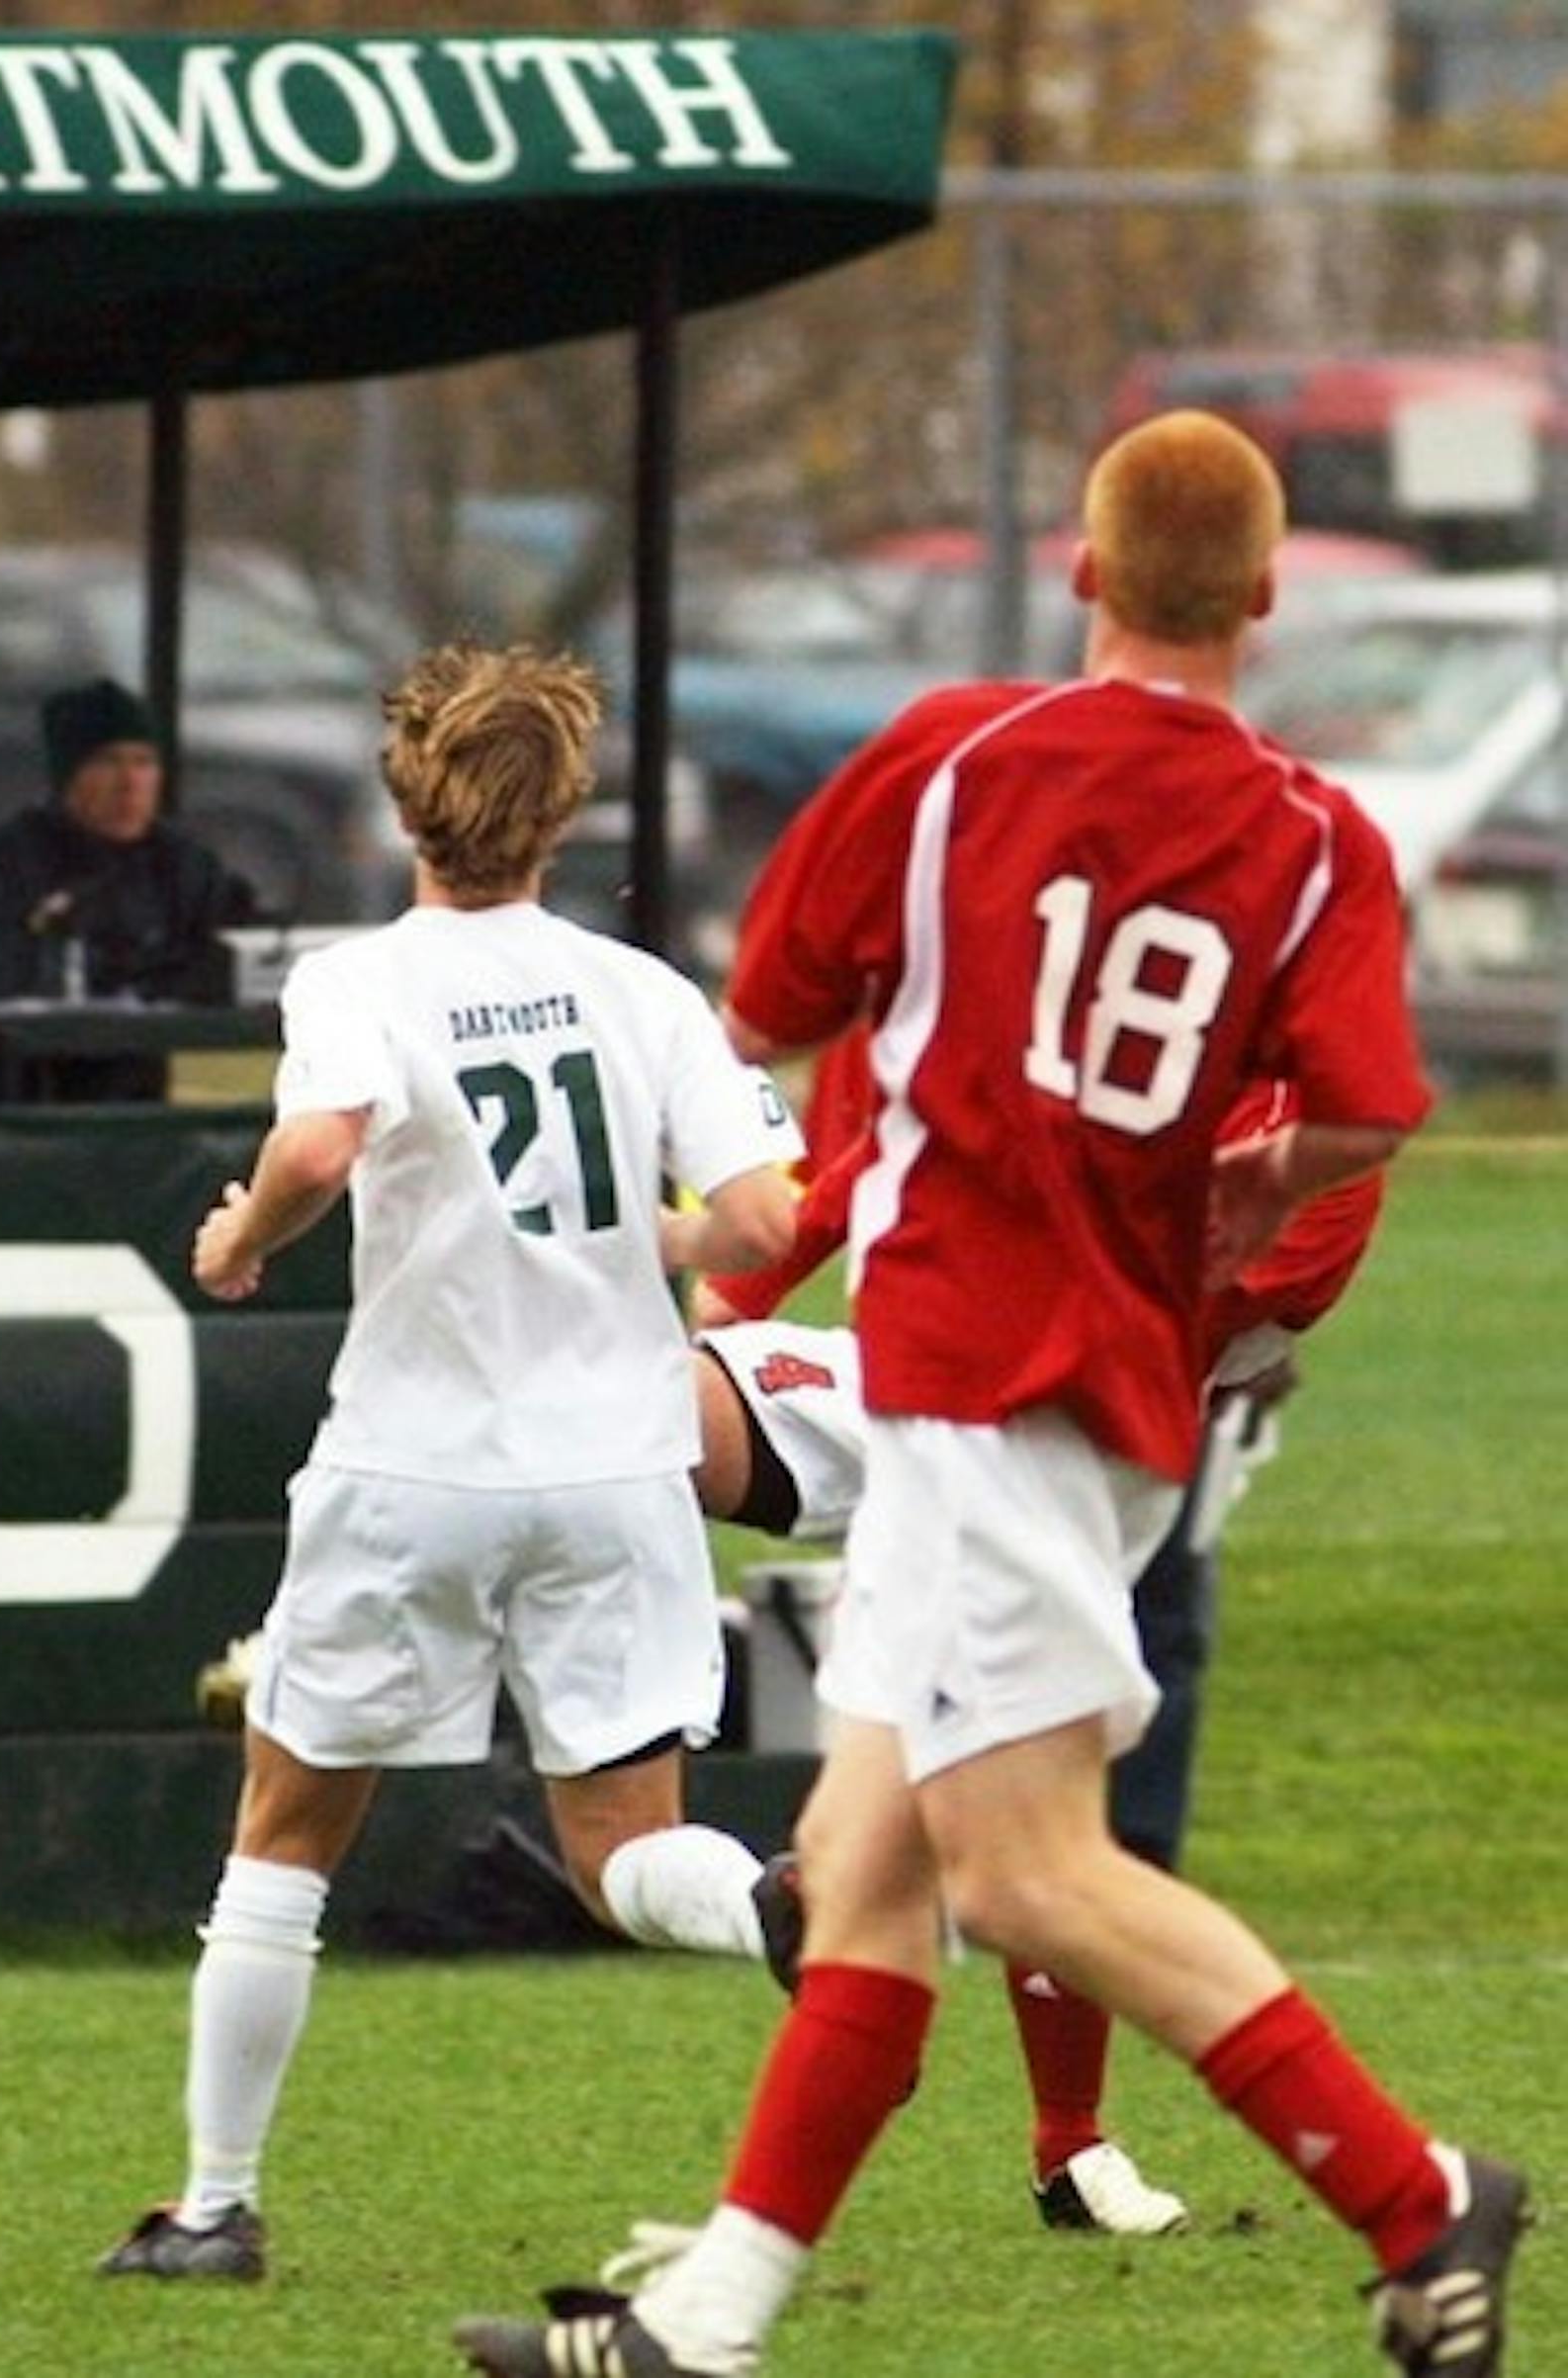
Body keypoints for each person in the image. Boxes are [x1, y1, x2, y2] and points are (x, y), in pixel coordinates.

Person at [452, 412, 1527, 2378]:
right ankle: (708, 2321)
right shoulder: (1311, 833)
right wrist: (1257, 1175)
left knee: (1027, 1865)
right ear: (1270, 601)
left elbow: (763, 1002)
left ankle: (1415, 2195)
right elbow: (1373, 1103)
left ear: (1085, 576)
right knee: (863, 1872)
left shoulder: (956, 751)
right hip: (1116, 1388)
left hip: (972, 1366)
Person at [98, 640, 802, 2284]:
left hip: (416, 1466)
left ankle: (212, 2209)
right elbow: (770, 1217)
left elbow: (322, 1142)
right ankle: (773, 1900)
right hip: (623, 1465)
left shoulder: (358, 982)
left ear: (402, 804)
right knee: (627, 1848)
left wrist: (240, 1237)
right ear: (562, 816)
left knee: (284, 1833)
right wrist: (655, 1232)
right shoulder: (644, 995)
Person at [0, 675, 255, 1097]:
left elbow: (233, 957)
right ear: (67, 775)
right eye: (107, 762)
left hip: (141, 1104)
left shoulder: (184, 867)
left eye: (144, 762)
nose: (129, 782)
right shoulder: (5, 865)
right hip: (24, 1100)